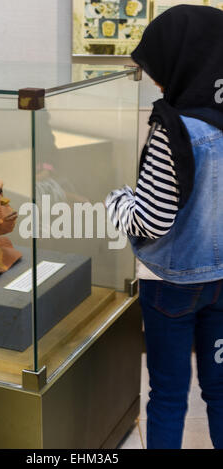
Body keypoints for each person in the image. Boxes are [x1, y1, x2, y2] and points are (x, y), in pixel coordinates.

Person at [105, 5, 223, 449]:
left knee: (169, 396)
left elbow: (149, 219)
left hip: (170, 286)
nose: (156, 79)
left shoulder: (173, 129)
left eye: (158, 66)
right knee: (220, 391)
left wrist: (115, 200)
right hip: (222, 283)